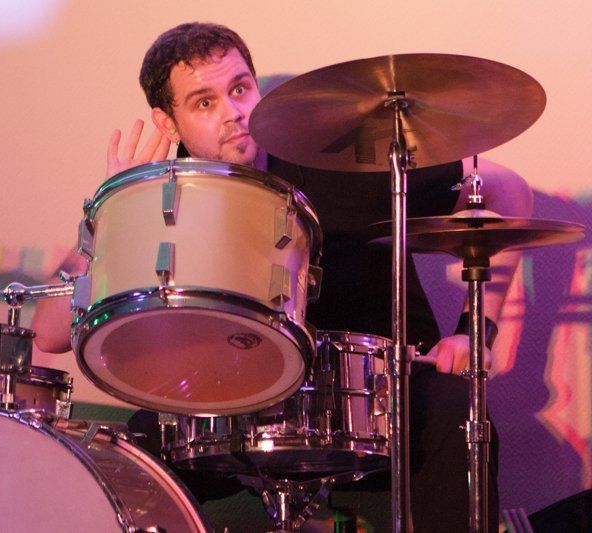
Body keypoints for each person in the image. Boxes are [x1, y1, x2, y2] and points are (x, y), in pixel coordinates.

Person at [33, 22, 533, 531]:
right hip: (224, 406)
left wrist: (475, 333)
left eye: (240, 89)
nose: (233, 112)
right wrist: (108, 213)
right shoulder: (162, 197)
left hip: (374, 401)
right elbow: (48, 333)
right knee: (128, 458)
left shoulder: (337, 160)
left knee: (456, 410)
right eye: (204, 102)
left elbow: (507, 192)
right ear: (169, 122)